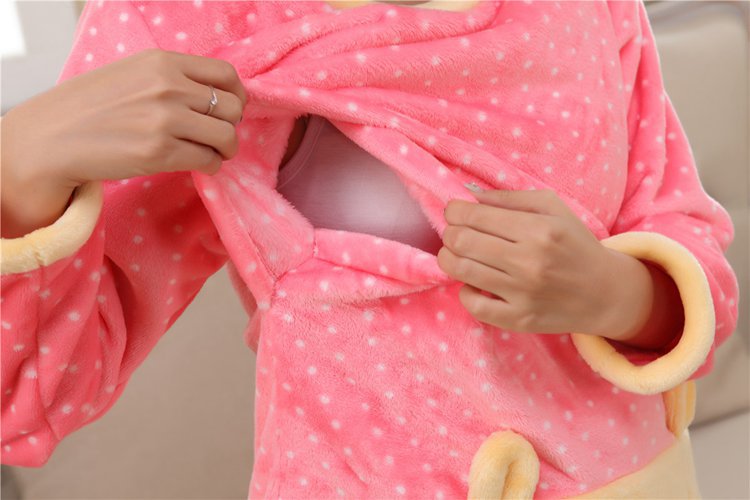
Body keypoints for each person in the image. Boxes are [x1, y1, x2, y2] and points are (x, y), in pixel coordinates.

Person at [0, 0, 739, 498]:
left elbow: (683, 229)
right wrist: (16, 163)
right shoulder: (191, 16)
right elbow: (27, 397)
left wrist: (618, 294)